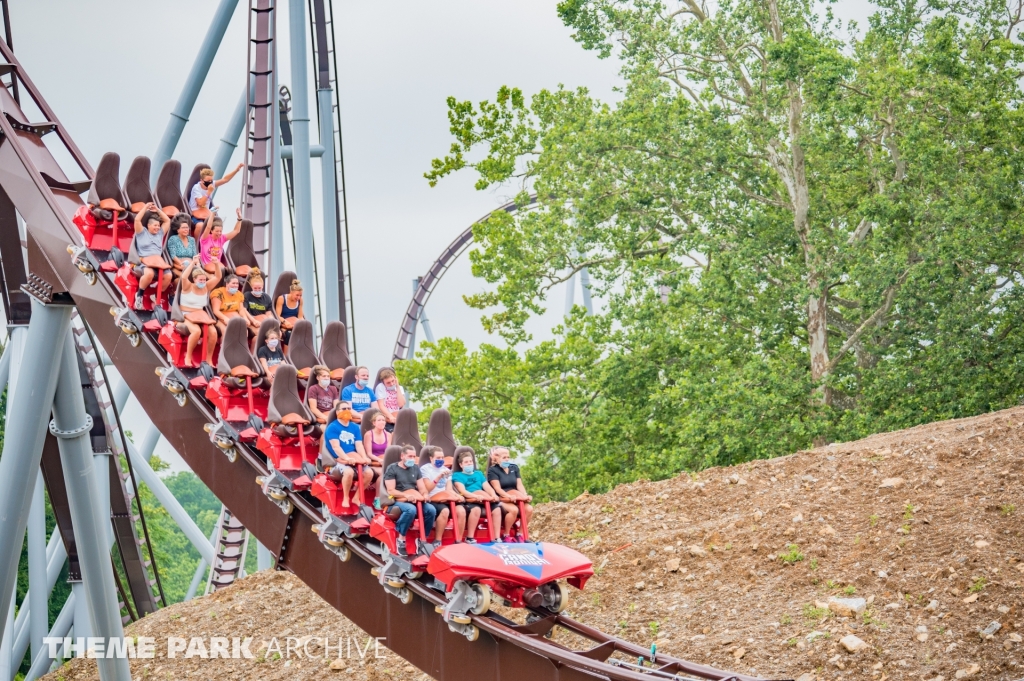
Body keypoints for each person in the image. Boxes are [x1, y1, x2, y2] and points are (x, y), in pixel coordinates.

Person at [383, 444, 437, 555]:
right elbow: (390, 490)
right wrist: (406, 496)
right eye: (410, 456)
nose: (412, 459)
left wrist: (425, 494)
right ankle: (401, 539)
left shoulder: (415, 468)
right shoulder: (392, 468)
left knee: (431, 510)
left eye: (414, 456)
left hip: (414, 498)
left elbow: (422, 488)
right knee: (411, 510)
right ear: (402, 456)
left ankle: (423, 539)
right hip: (398, 499)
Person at [321, 401, 374, 509]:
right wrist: (346, 458)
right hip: (338, 459)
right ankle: (346, 497)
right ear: (337, 412)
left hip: (354, 457)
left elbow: (359, 445)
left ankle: (356, 497)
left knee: (369, 473)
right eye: (344, 409)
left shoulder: (355, 427)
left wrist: (364, 457)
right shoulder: (333, 427)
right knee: (348, 472)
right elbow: (336, 447)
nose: (347, 411)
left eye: (349, 409)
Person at [452, 449, 501, 544]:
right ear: (461, 465)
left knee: (497, 509)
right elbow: (462, 491)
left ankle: (496, 538)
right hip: (470, 499)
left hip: (483, 499)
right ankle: (470, 537)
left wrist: (493, 494)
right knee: (476, 510)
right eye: (466, 462)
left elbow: (487, 487)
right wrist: (475, 496)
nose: (469, 464)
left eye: (470, 461)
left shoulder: (478, 474)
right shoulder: (457, 475)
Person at [420, 446, 465, 546]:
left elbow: (448, 489)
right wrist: (439, 477)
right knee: (445, 511)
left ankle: (458, 541)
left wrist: (457, 496)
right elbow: (427, 489)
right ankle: (437, 541)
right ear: (431, 458)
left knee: (461, 511)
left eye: (442, 458)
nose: (440, 460)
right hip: (433, 499)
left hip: (446, 498)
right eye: (438, 458)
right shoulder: (425, 469)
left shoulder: (446, 470)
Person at [131, 203, 172, 310]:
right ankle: (139, 295)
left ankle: (155, 294)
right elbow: (137, 220)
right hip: (144, 262)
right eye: (155, 225)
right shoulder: (141, 233)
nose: (158, 228)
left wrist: (157, 209)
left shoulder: (160, 234)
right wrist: (145, 208)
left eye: (158, 226)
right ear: (148, 225)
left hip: (158, 263)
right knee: (149, 273)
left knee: (168, 276)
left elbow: (167, 221)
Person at [487, 447, 532, 543]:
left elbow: (519, 484)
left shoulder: (514, 468)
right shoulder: (493, 470)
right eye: (504, 457)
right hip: (503, 498)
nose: (507, 459)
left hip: (516, 497)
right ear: (498, 459)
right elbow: (497, 488)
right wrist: (508, 497)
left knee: (529, 509)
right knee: (514, 510)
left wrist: (525, 495)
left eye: (508, 457)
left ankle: (520, 534)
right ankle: (506, 534)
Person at [178, 259, 218, 367]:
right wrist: (193, 264)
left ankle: (208, 359)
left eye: (204, 280)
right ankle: (188, 357)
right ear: (194, 280)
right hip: (186, 314)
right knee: (196, 331)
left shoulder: (206, 287)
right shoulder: (188, 286)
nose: (203, 282)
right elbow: (184, 277)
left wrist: (216, 264)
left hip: (200, 315)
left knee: (213, 333)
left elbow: (218, 277)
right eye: (200, 280)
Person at [197, 207, 244, 289]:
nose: (219, 233)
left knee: (232, 280)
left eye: (220, 231)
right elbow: (208, 227)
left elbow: (236, 231)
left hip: (218, 268)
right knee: (214, 279)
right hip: (207, 266)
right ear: (212, 231)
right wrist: (212, 214)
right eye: (217, 231)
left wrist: (239, 219)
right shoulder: (205, 238)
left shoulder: (222, 238)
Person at [166, 214, 198, 280]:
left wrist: (196, 264)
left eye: (187, 227)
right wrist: (181, 264)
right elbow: (173, 255)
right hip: (178, 265)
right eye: (183, 228)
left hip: (191, 265)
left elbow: (195, 254)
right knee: (185, 278)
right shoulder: (173, 239)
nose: (186, 229)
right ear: (178, 230)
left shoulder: (192, 240)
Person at [242, 268, 272, 335]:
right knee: (260, 333)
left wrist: (272, 322)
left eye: (259, 288)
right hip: (253, 321)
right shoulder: (247, 295)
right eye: (255, 288)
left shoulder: (267, 297)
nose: (257, 290)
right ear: (251, 287)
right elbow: (244, 310)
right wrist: (253, 320)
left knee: (277, 333)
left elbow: (269, 314)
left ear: (262, 287)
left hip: (263, 322)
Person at [274, 279, 304, 344]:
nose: (298, 297)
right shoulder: (281, 299)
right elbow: (277, 315)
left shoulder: (300, 300)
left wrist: (301, 324)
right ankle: (286, 353)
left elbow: (300, 316)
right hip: (284, 323)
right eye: (297, 295)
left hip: (294, 324)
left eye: (300, 295)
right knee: (288, 334)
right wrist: (285, 322)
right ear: (291, 292)